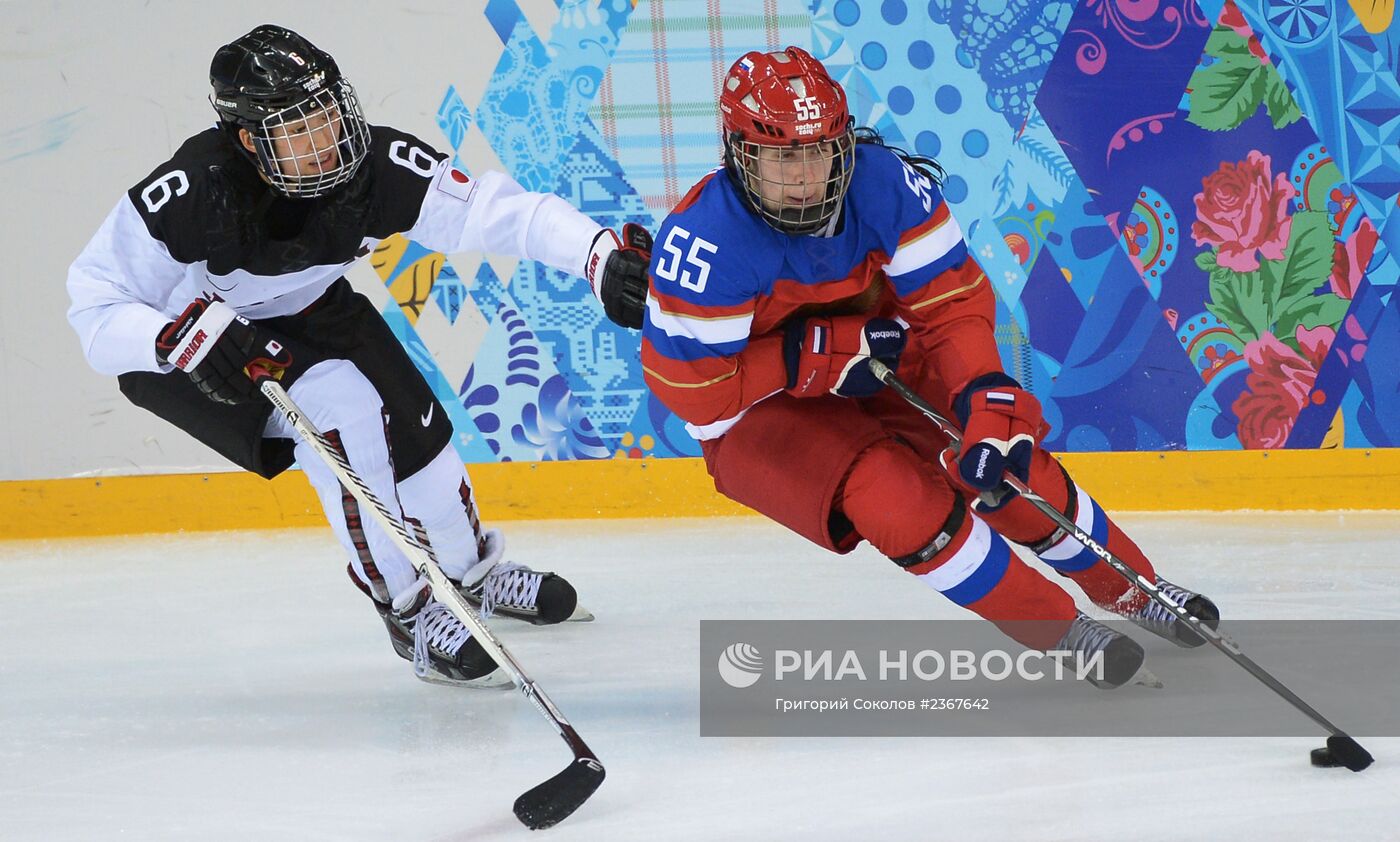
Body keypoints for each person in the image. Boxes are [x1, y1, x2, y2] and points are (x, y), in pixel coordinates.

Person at [67, 25, 651, 688]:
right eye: (299, 128)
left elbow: (497, 211)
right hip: (200, 342)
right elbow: (91, 304)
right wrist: (175, 339)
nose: (328, 140)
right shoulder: (195, 187)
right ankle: (409, 612)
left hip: (312, 306)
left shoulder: (376, 167)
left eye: (328, 115)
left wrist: (596, 255)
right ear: (248, 140)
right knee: (343, 406)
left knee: (425, 442)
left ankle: (472, 578)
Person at [641, 47, 1220, 687]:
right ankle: (1058, 629)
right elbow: (700, 396)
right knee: (893, 497)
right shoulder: (704, 244)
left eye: (819, 151)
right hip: (758, 409)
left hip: (875, 352)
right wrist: (803, 355)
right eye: (782, 157)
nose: (805, 176)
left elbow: (951, 303)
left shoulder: (883, 183)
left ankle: (1136, 589)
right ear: (740, 154)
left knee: (1002, 461)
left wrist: (984, 391)